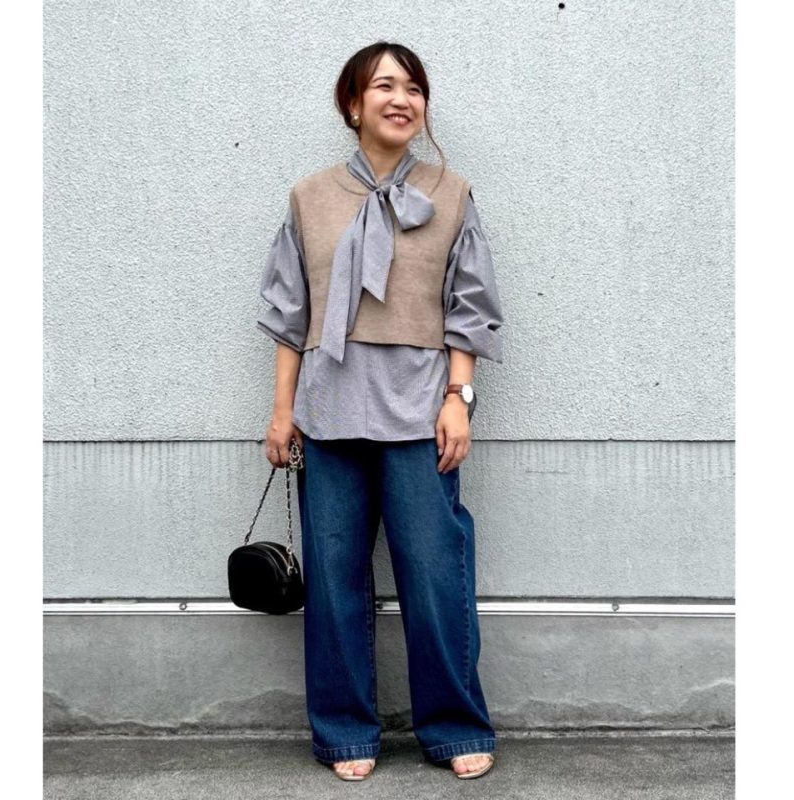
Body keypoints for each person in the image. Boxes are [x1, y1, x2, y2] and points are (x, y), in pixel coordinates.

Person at [256, 41, 504, 782]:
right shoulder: (310, 198)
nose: (403, 100)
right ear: (353, 104)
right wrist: (281, 412)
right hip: (329, 413)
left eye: (414, 88)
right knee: (334, 582)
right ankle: (344, 733)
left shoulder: (451, 193)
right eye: (385, 86)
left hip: (420, 412)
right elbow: (290, 316)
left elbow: (470, 307)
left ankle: (455, 726)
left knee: (435, 575)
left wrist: (459, 399)